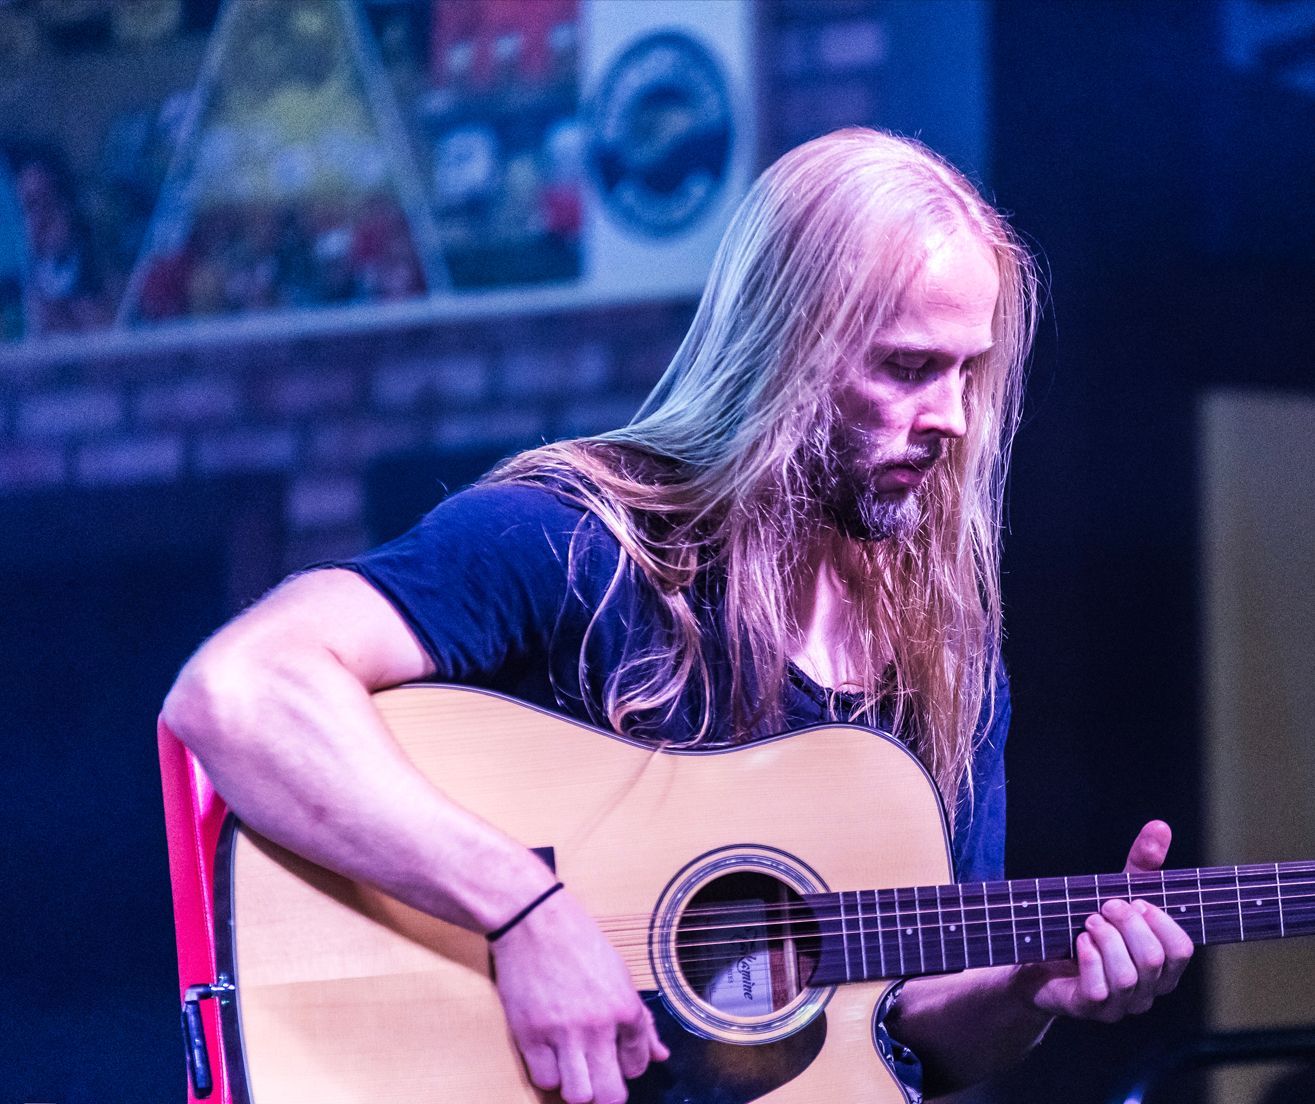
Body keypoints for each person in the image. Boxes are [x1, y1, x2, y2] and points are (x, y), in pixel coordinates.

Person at [162, 128, 1194, 1104]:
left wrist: (1028, 986)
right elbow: (237, 691)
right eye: (907, 368)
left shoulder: (944, 655)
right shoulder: (573, 541)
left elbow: (916, 1019)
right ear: (784, 348)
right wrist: (524, 911)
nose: (954, 419)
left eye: (968, 371)